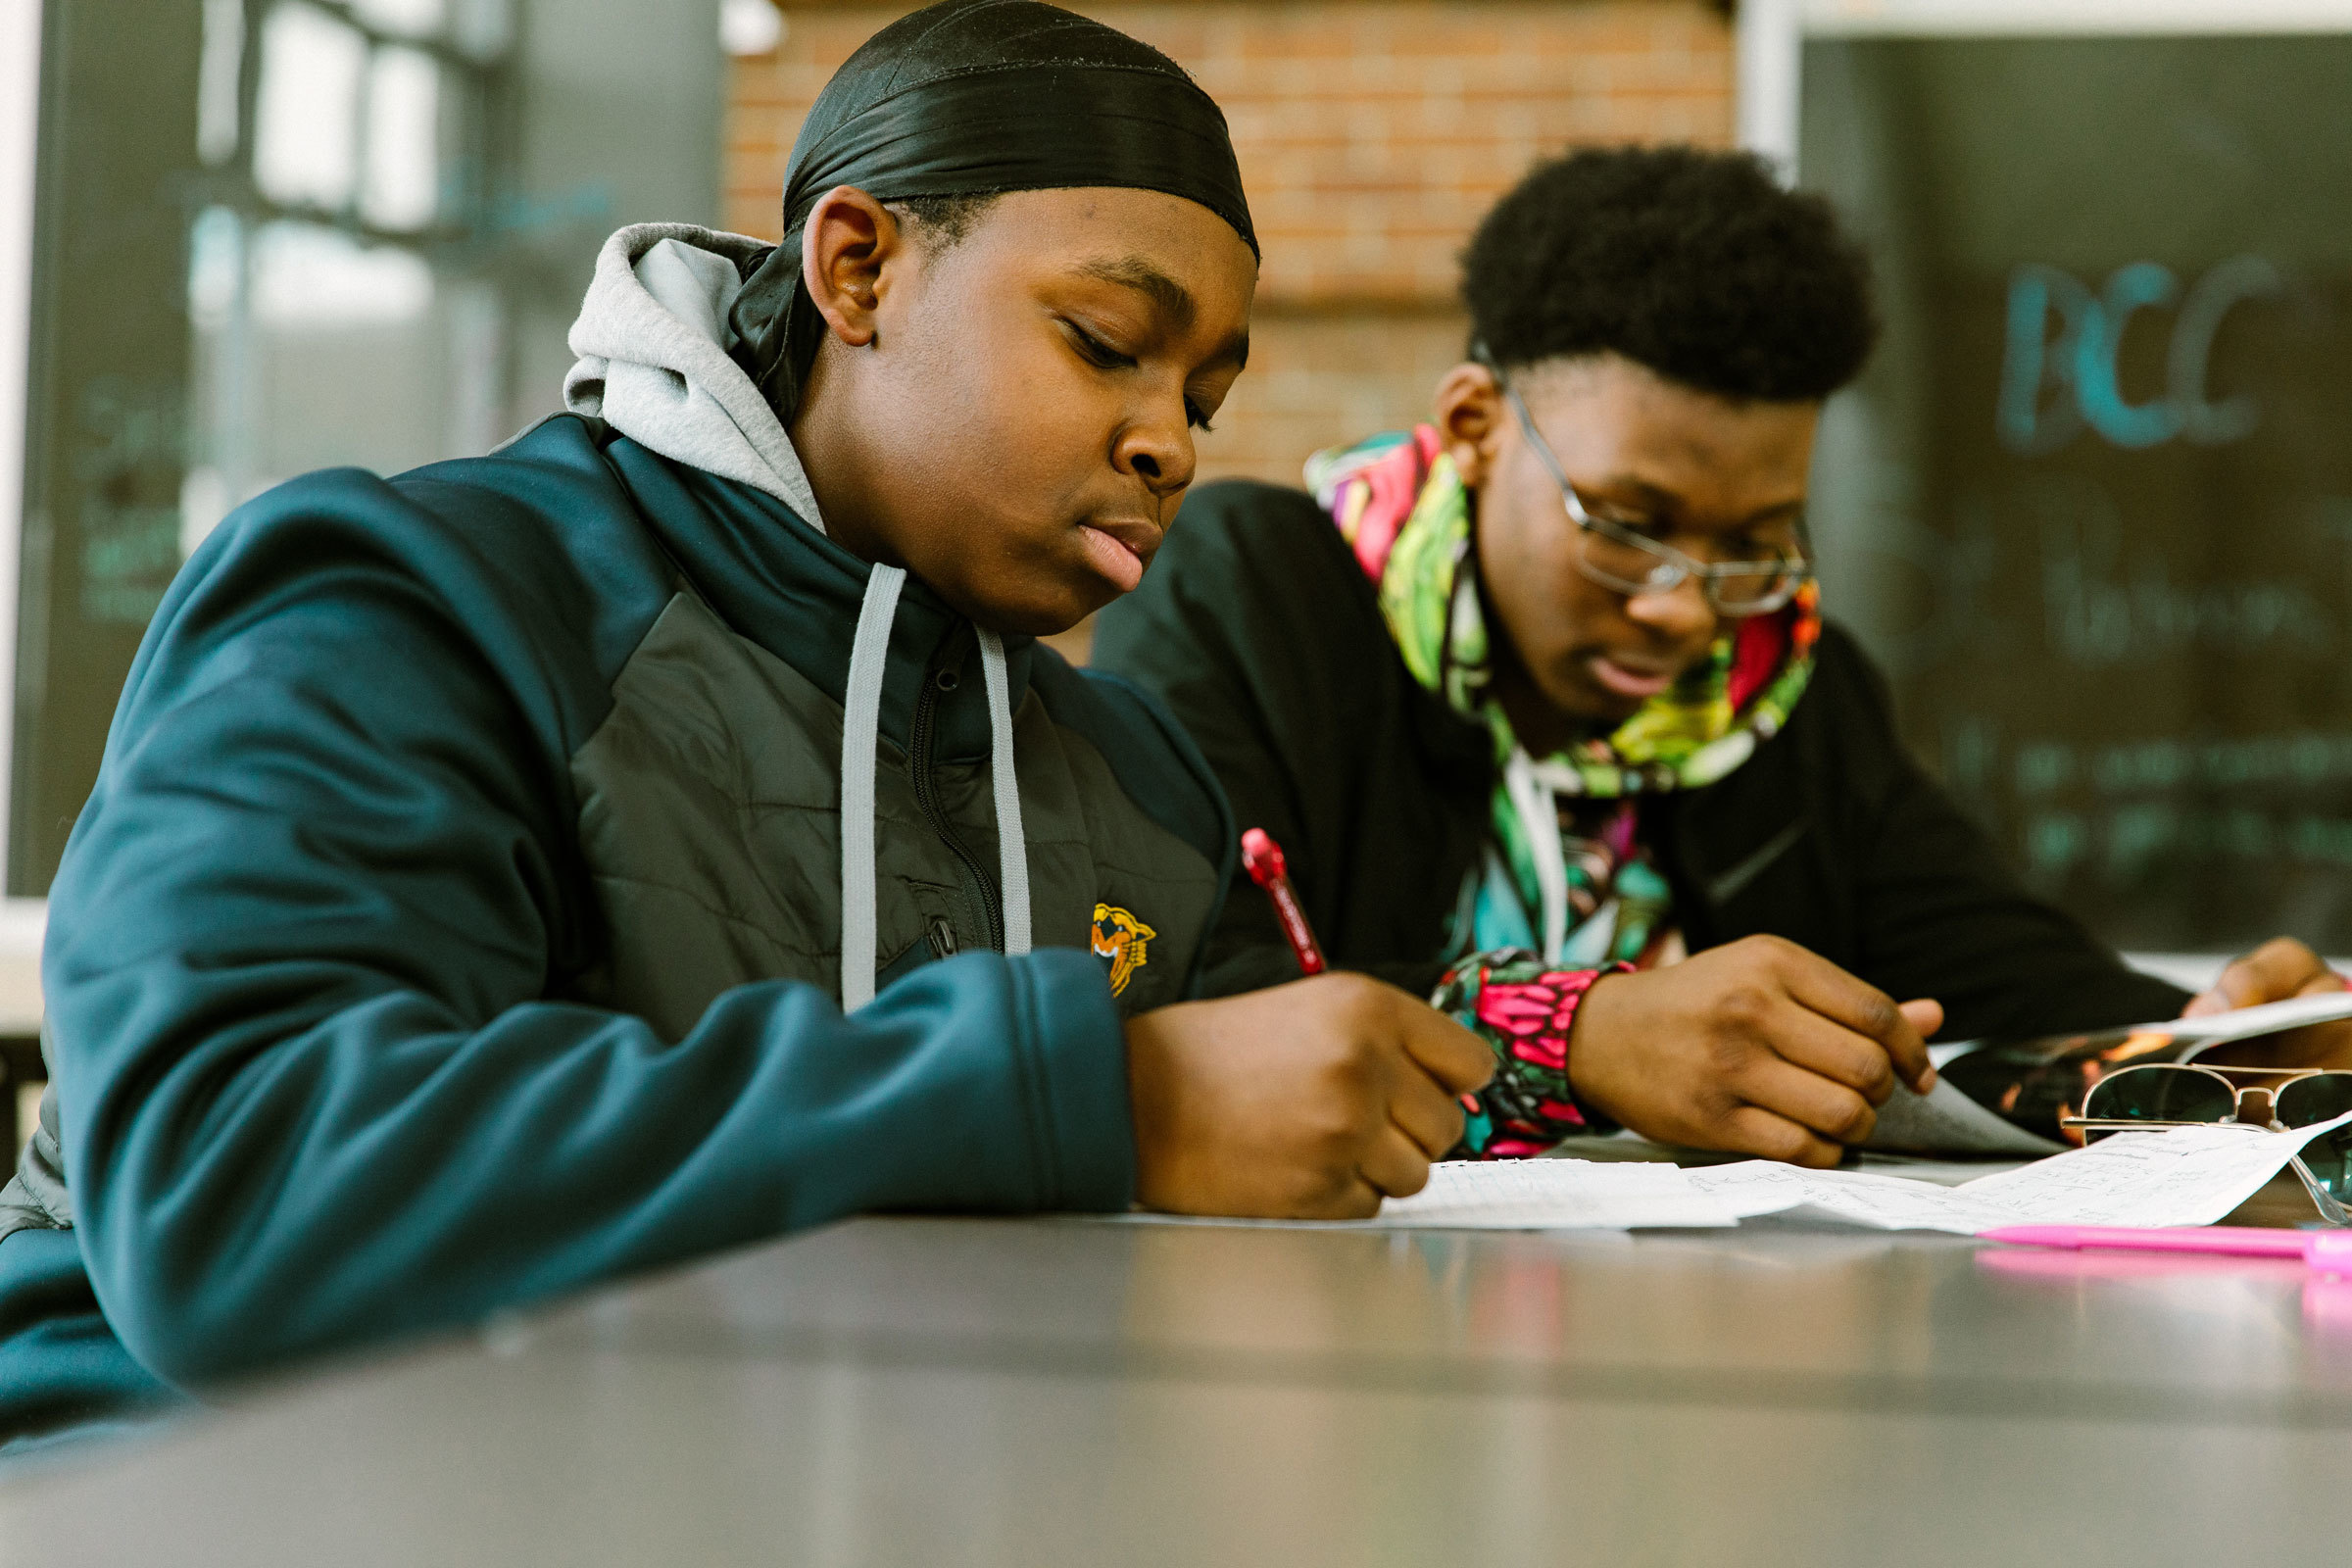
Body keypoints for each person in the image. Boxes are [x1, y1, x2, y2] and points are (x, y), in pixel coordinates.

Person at [0, 0, 1494, 1451]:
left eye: (1206, 400)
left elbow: (1261, 1160)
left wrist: (1533, 1057)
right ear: (856, 271)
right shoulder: (419, 606)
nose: (1168, 440)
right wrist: (1080, 1097)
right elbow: (241, 1188)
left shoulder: (1137, 781)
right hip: (190, 1487)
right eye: (1107, 341)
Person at [1093, 145, 2347, 1168]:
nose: (1688, 611)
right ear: (1474, 426)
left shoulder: (1785, 694)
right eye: (1629, 527)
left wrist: (2222, 1042)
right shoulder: (1258, 593)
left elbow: (2011, 987)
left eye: (1754, 541)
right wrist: (1579, 1031)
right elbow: (1197, 995)